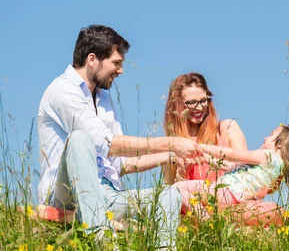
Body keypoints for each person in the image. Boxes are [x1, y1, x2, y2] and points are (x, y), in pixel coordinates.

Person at [37, 24, 201, 249]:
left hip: (108, 195)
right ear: (93, 59)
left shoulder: (104, 99)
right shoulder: (62, 90)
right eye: (116, 63)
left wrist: (169, 155)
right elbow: (107, 144)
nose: (121, 70)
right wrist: (170, 141)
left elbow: (121, 162)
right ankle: (103, 240)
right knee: (79, 139)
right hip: (67, 195)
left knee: (170, 196)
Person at [173, 125, 289, 215]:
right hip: (235, 198)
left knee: (178, 190)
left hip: (224, 191)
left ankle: (203, 218)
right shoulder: (277, 169)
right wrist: (204, 158)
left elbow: (233, 155)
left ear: (281, 144)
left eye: (271, 135)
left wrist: (200, 147)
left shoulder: (266, 156)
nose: (265, 137)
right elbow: (229, 165)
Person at [161, 72, 248, 184]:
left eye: (203, 101)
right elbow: (170, 194)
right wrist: (182, 174)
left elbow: (246, 173)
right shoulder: (172, 146)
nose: (199, 107)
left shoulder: (227, 128)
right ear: (176, 105)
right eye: (191, 102)